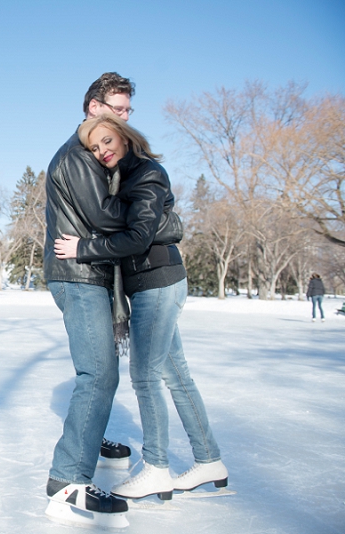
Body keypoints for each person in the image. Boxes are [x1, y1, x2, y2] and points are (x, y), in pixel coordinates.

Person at [55, 114, 227, 501]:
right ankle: (209, 459)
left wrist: (83, 248)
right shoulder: (124, 176)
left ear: (125, 136)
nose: (101, 151)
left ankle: (156, 468)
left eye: (106, 141)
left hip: (157, 281)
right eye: (95, 148)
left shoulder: (146, 172)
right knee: (175, 373)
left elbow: (136, 237)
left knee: (146, 376)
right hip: (150, 282)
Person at [43, 72, 183, 525]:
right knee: (99, 374)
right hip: (78, 274)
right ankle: (68, 482)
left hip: (94, 274)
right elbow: (106, 218)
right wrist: (157, 215)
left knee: (102, 373)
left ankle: (91, 439)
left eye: (128, 111)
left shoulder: (99, 157)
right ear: (93, 109)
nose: (124, 118)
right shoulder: (77, 156)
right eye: (116, 109)